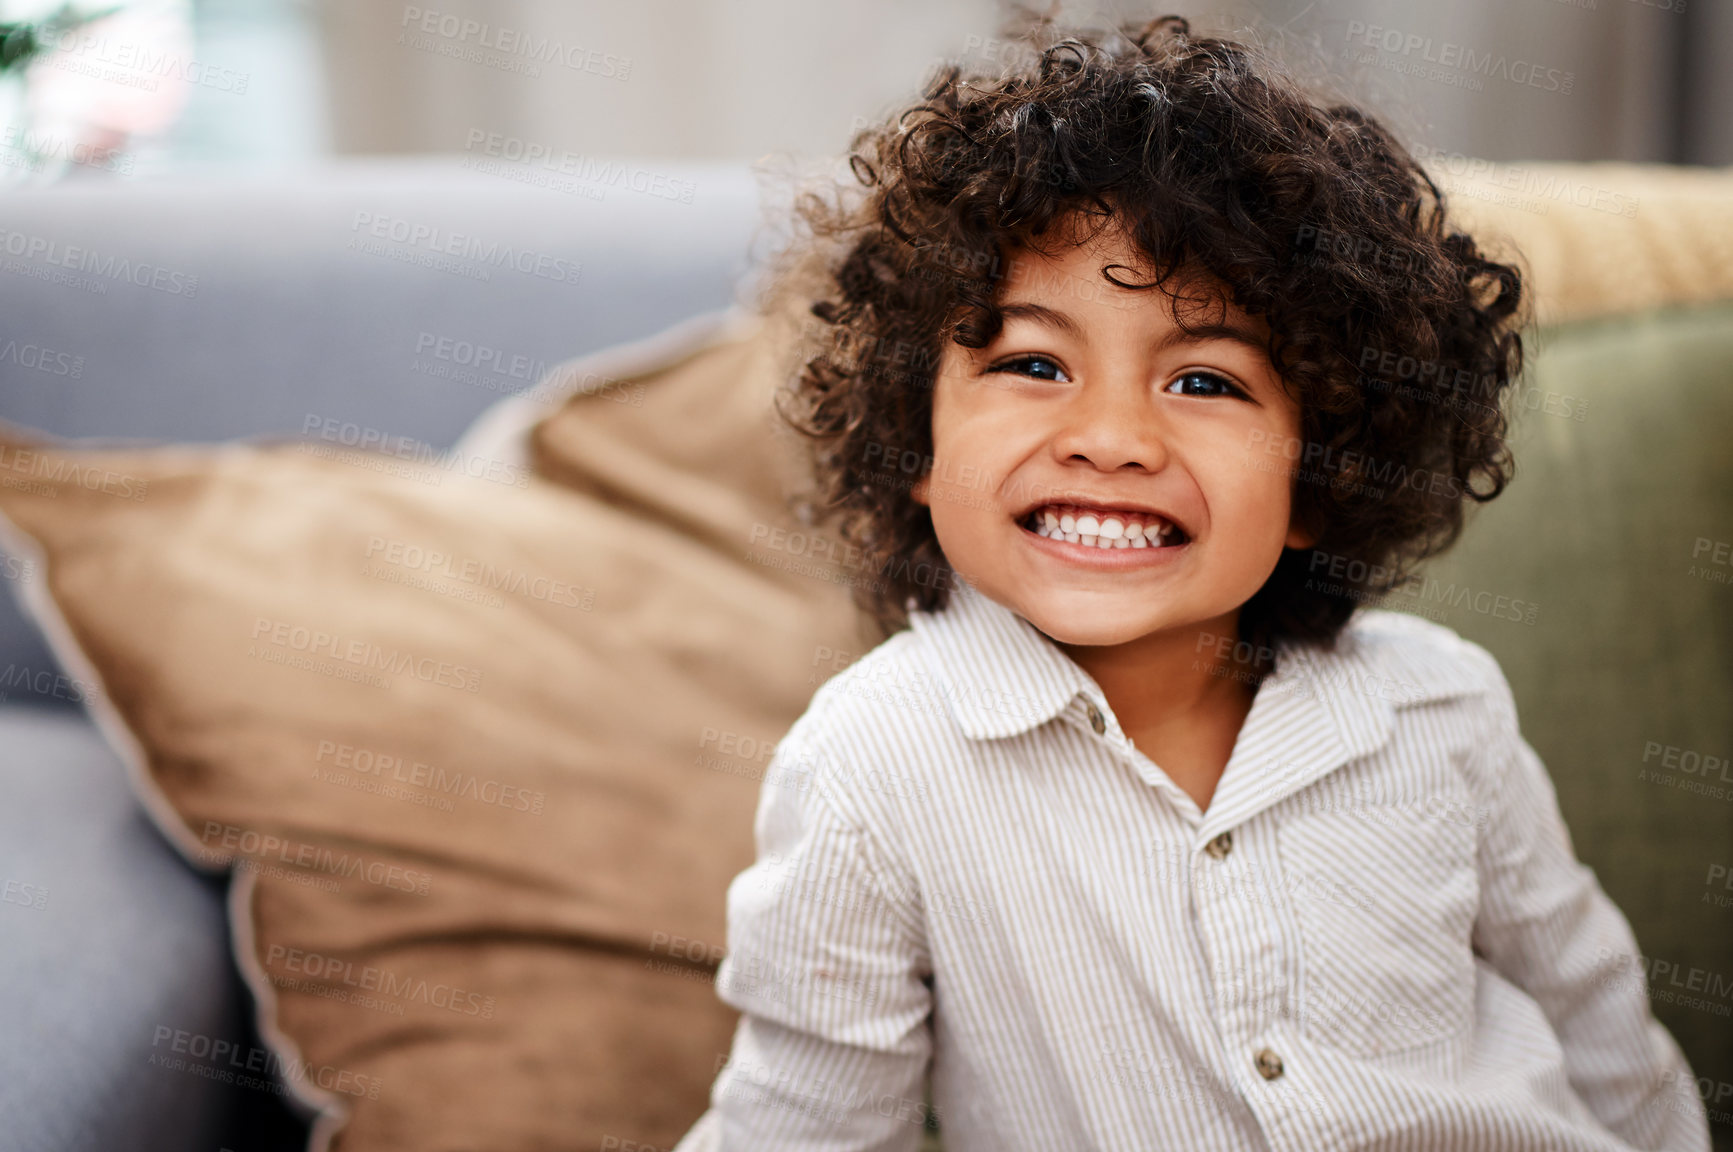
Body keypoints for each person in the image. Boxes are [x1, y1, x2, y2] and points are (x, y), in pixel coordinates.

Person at [673, 13, 1711, 1151]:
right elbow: (804, 1126)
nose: (1110, 437)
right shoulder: (874, 763)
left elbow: (1607, 1043)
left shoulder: (1440, 711)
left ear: (1319, 477)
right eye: (1030, 363)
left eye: (1205, 382)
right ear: (913, 448)